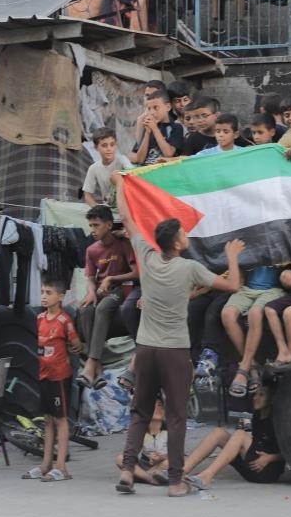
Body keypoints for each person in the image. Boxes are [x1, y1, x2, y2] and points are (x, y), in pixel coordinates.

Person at [112, 171, 244, 497]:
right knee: (176, 417)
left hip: (145, 350)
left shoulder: (145, 254)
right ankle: (174, 482)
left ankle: (128, 471)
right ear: (177, 243)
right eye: (184, 234)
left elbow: (127, 218)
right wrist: (232, 258)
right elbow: (233, 286)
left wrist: (119, 185)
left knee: (140, 412)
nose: (187, 236)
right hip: (175, 352)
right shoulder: (190, 269)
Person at [26, 280, 81, 482]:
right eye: (42, 292)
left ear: (60, 297)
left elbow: (76, 344)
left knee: (61, 419)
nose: (43, 296)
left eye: (48, 292)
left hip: (59, 376)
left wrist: (70, 350)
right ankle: (45, 464)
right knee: (47, 419)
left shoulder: (64, 321)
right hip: (44, 374)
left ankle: (61, 467)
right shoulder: (40, 318)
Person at [77, 205, 137, 389]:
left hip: (121, 289)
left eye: (96, 225)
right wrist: (91, 292)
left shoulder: (123, 244)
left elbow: (136, 273)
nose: (92, 230)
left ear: (109, 224)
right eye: (91, 225)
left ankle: (91, 363)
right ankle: (98, 366)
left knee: (102, 308)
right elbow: (89, 278)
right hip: (101, 290)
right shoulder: (91, 250)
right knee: (85, 309)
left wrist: (111, 279)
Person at [184, 384, 284, 490]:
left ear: (272, 399)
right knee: (218, 432)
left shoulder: (277, 421)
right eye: (255, 394)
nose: (255, 398)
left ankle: (207, 476)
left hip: (266, 471)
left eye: (261, 395)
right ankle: (181, 471)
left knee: (240, 434)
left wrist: (270, 458)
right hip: (252, 462)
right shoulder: (257, 416)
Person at [222, 265, 285, 398]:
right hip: (247, 288)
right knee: (227, 314)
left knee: (255, 313)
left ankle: (244, 369)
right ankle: (252, 365)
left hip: (272, 289)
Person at [114, 397, 168, 486]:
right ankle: (149, 478)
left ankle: (143, 476)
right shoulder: (140, 432)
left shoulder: (169, 432)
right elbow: (130, 452)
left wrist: (161, 458)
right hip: (145, 464)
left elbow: (178, 454)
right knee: (120, 458)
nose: (157, 409)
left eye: (160, 405)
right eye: (153, 406)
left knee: (169, 463)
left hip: (162, 465)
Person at [83, 127, 132, 209]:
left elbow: (133, 174)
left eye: (112, 145)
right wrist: (98, 210)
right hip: (109, 207)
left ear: (116, 145)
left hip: (127, 205)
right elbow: (87, 195)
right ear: (96, 147)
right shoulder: (93, 168)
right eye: (104, 145)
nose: (109, 149)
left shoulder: (122, 160)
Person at [131, 90, 184, 165]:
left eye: (156, 108)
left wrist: (155, 129)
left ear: (168, 107)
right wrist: (147, 133)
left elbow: (168, 154)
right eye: (149, 109)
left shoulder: (176, 127)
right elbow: (140, 159)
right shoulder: (148, 128)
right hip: (145, 169)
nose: (152, 112)